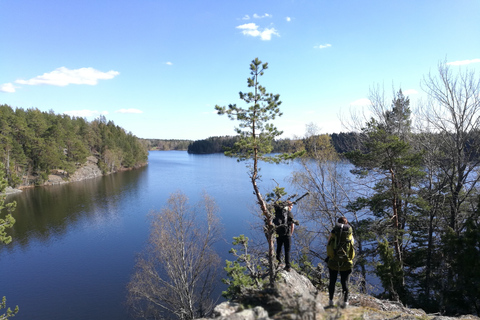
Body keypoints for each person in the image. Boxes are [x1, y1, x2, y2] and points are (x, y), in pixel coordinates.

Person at [326, 216, 355, 308]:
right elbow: (352, 245)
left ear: (337, 224)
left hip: (333, 261)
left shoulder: (333, 232)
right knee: (344, 282)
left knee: (332, 281)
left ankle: (330, 301)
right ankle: (345, 302)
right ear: (346, 224)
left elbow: (328, 243)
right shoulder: (349, 234)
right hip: (346, 262)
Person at [275, 200, 295, 272]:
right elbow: (292, 225)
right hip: (287, 234)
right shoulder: (289, 214)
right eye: (291, 206)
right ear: (288, 206)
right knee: (287, 250)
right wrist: (291, 233)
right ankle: (288, 266)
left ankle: (278, 262)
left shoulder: (279, 213)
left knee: (279, 248)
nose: (292, 207)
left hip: (279, 233)